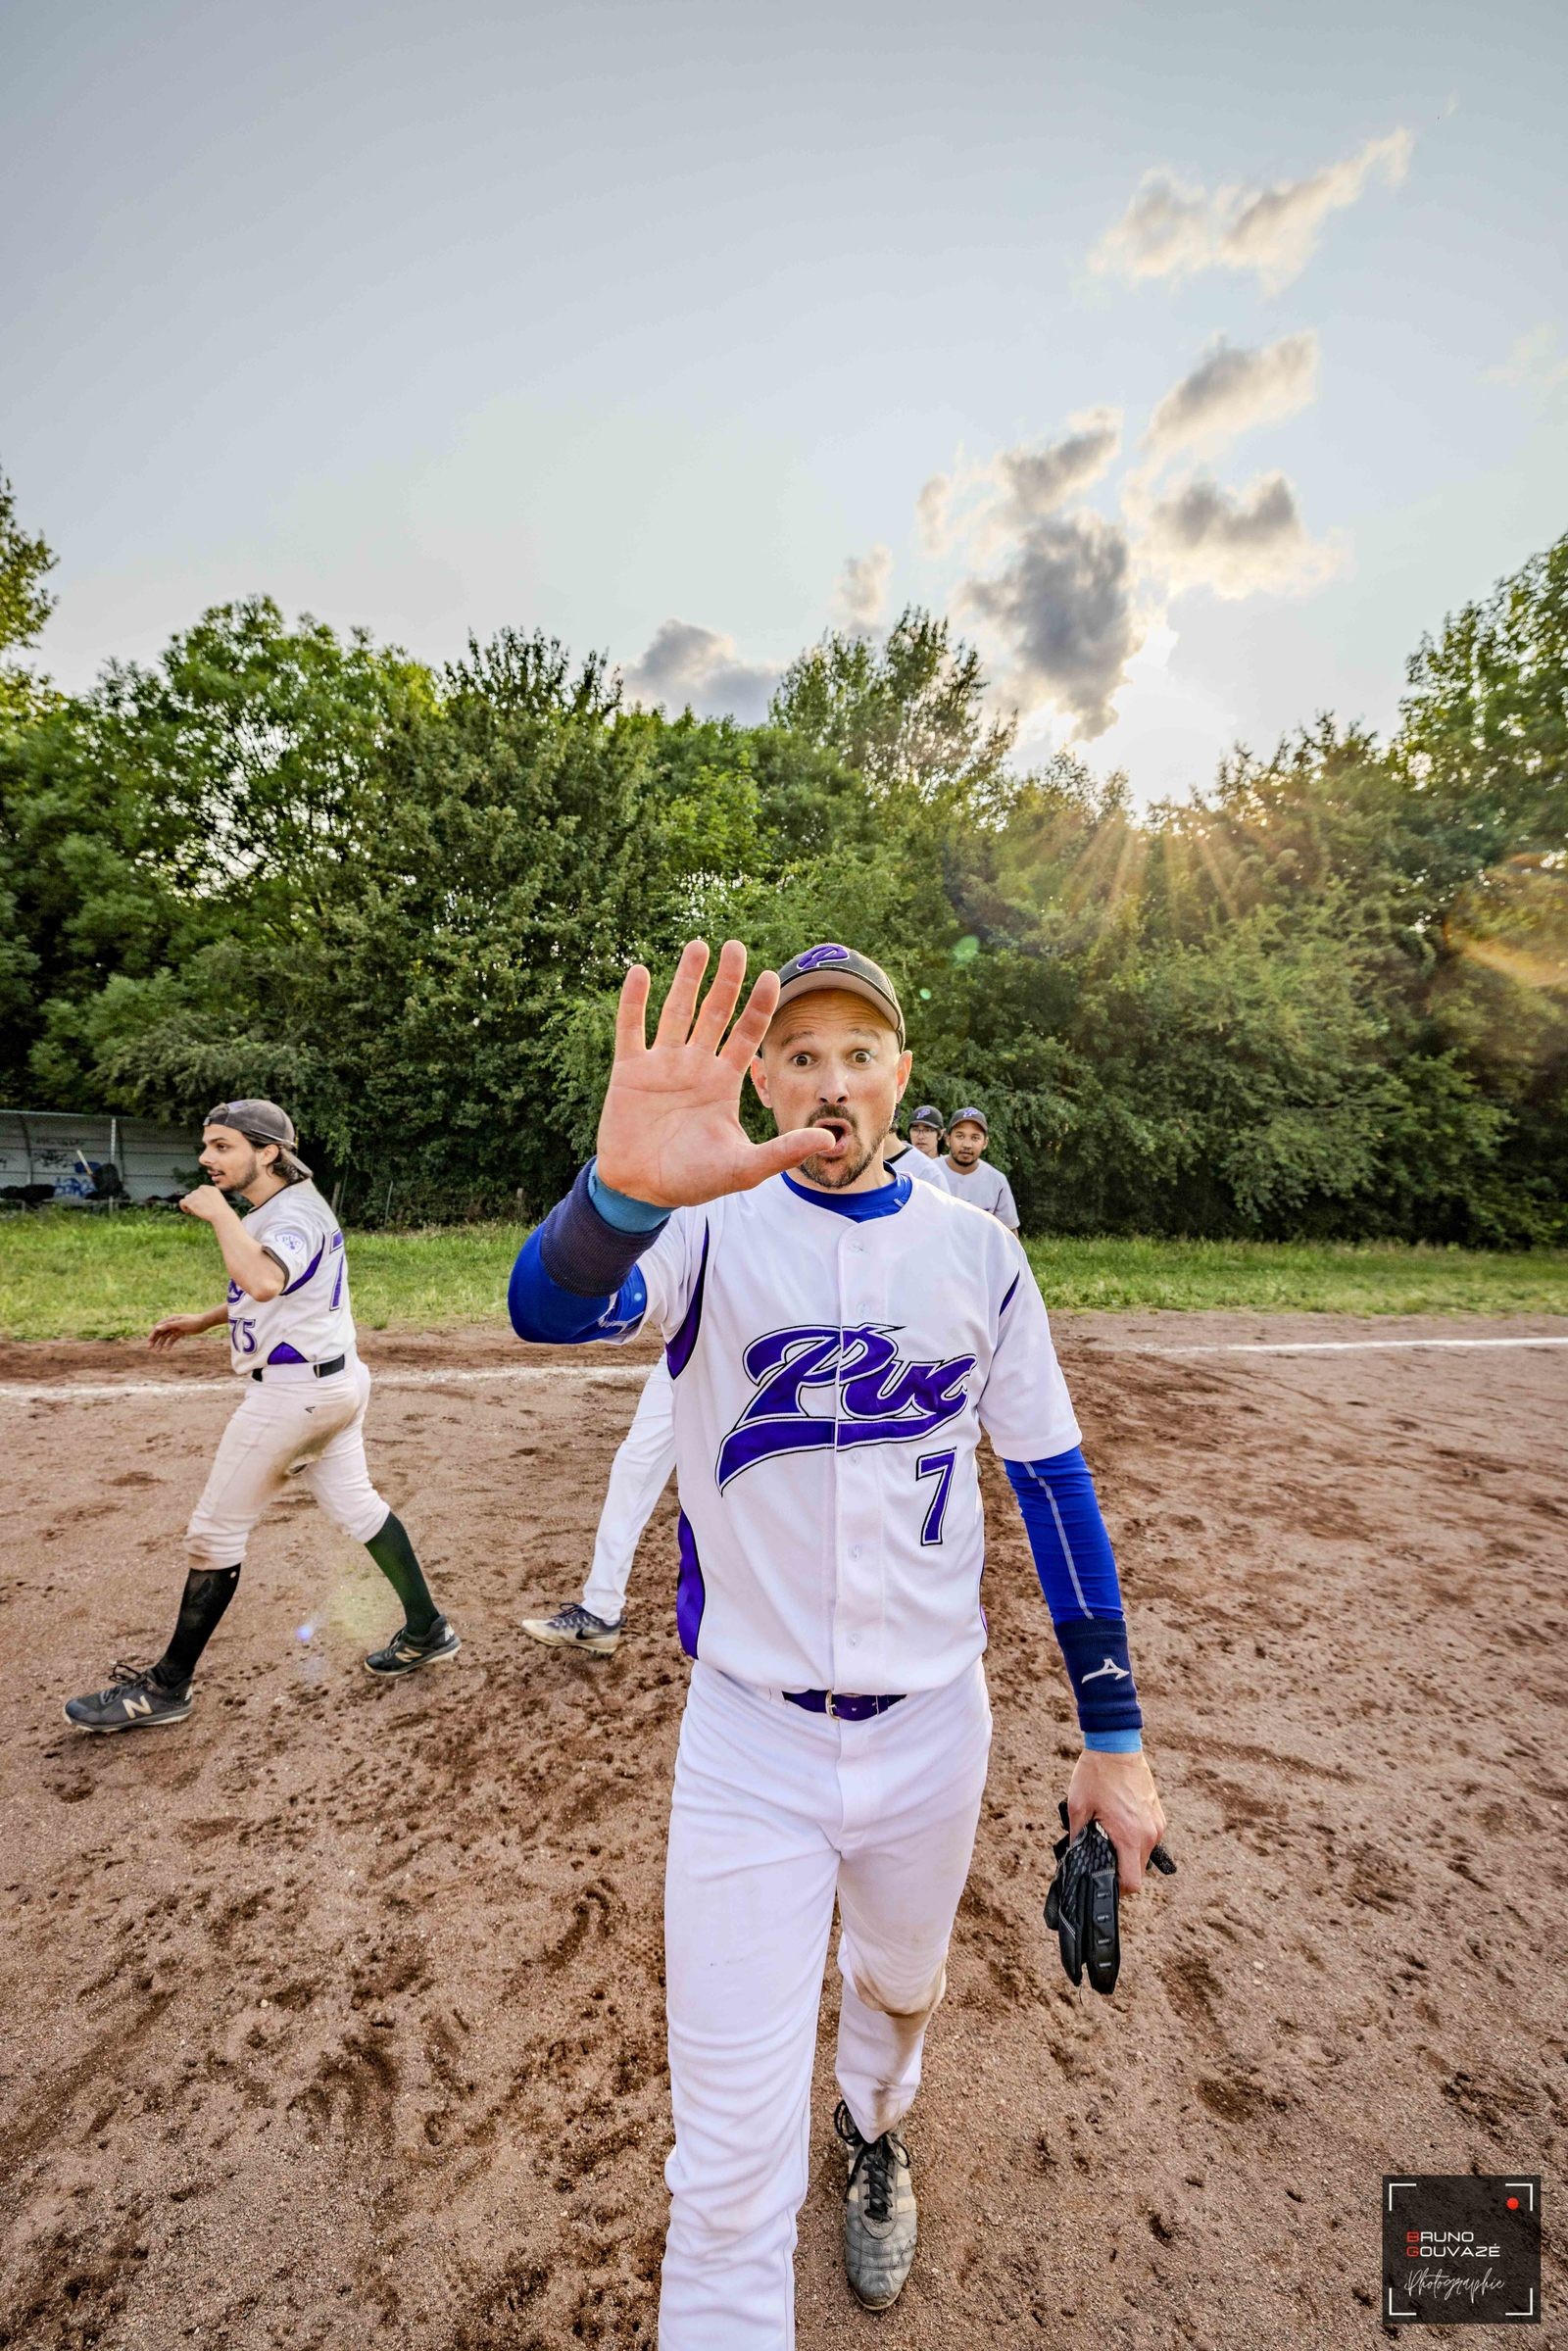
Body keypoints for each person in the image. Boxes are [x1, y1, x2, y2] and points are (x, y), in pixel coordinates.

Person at [507, 939, 1165, 2348]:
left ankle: (875, 2128)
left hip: (937, 1725)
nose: (831, 1078)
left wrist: (1114, 1738)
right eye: (799, 1053)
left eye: (859, 1051)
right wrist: (616, 1196)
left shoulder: (979, 1249)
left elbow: (1053, 1482)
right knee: (728, 2173)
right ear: (760, 1074)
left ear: (902, 1077)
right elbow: (545, 1306)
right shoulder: (701, 1224)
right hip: (749, 1739)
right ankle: (778, 2195)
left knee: (901, 1983)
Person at [64, 1101, 459, 1733]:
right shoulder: (288, 1207)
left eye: (222, 1146)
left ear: (267, 1151)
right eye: (207, 1146)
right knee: (360, 1508)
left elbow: (267, 1279)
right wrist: (206, 1318)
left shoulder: (292, 1214)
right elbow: (280, 1290)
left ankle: (167, 1688)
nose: (206, 1158)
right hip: (333, 1383)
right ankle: (427, 1628)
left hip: (293, 1398)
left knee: (213, 1537)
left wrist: (218, 1213)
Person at [940, 1104, 1019, 1229]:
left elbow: (1009, 1232)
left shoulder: (997, 1181)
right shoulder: (928, 1173)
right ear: (948, 1139)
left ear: (985, 1143)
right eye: (960, 1136)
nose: (967, 1145)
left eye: (975, 1138)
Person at [881, 1103, 948, 1190]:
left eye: (927, 1130)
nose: (920, 1136)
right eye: (915, 1129)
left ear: (941, 1134)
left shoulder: (932, 1172)